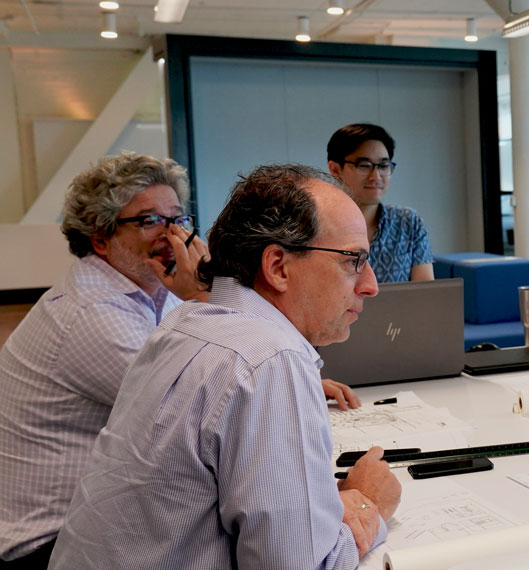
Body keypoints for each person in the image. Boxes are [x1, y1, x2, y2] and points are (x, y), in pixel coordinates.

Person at [48, 165, 401, 569]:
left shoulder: (184, 322)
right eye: (353, 260)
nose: (370, 284)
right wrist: (365, 502)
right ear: (278, 267)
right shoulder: (270, 359)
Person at [0, 153, 210, 569]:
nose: (173, 237)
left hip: (103, 520)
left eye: (177, 219)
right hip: (50, 546)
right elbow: (196, 416)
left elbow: (210, 377)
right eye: (150, 221)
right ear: (100, 238)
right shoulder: (92, 310)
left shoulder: (157, 290)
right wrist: (203, 298)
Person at [327, 123, 434, 282]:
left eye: (383, 166)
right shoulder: (317, 224)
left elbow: (426, 293)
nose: (376, 177)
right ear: (335, 170)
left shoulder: (408, 222)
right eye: (364, 165)